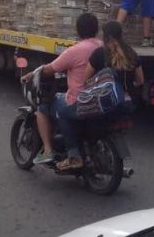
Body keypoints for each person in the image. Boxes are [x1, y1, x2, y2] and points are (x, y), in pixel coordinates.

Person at [20, 13, 102, 170]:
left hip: (81, 100)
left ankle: (54, 151)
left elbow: (50, 69)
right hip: (99, 99)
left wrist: (33, 74)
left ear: (78, 31)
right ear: (96, 30)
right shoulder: (101, 46)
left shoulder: (75, 50)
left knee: (44, 107)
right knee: (61, 99)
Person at [84, 21, 145, 99]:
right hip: (126, 103)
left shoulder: (98, 54)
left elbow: (86, 80)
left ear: (105, 37)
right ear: (120, 35)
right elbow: (140, 81)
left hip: (105, 103)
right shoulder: (131, 53)